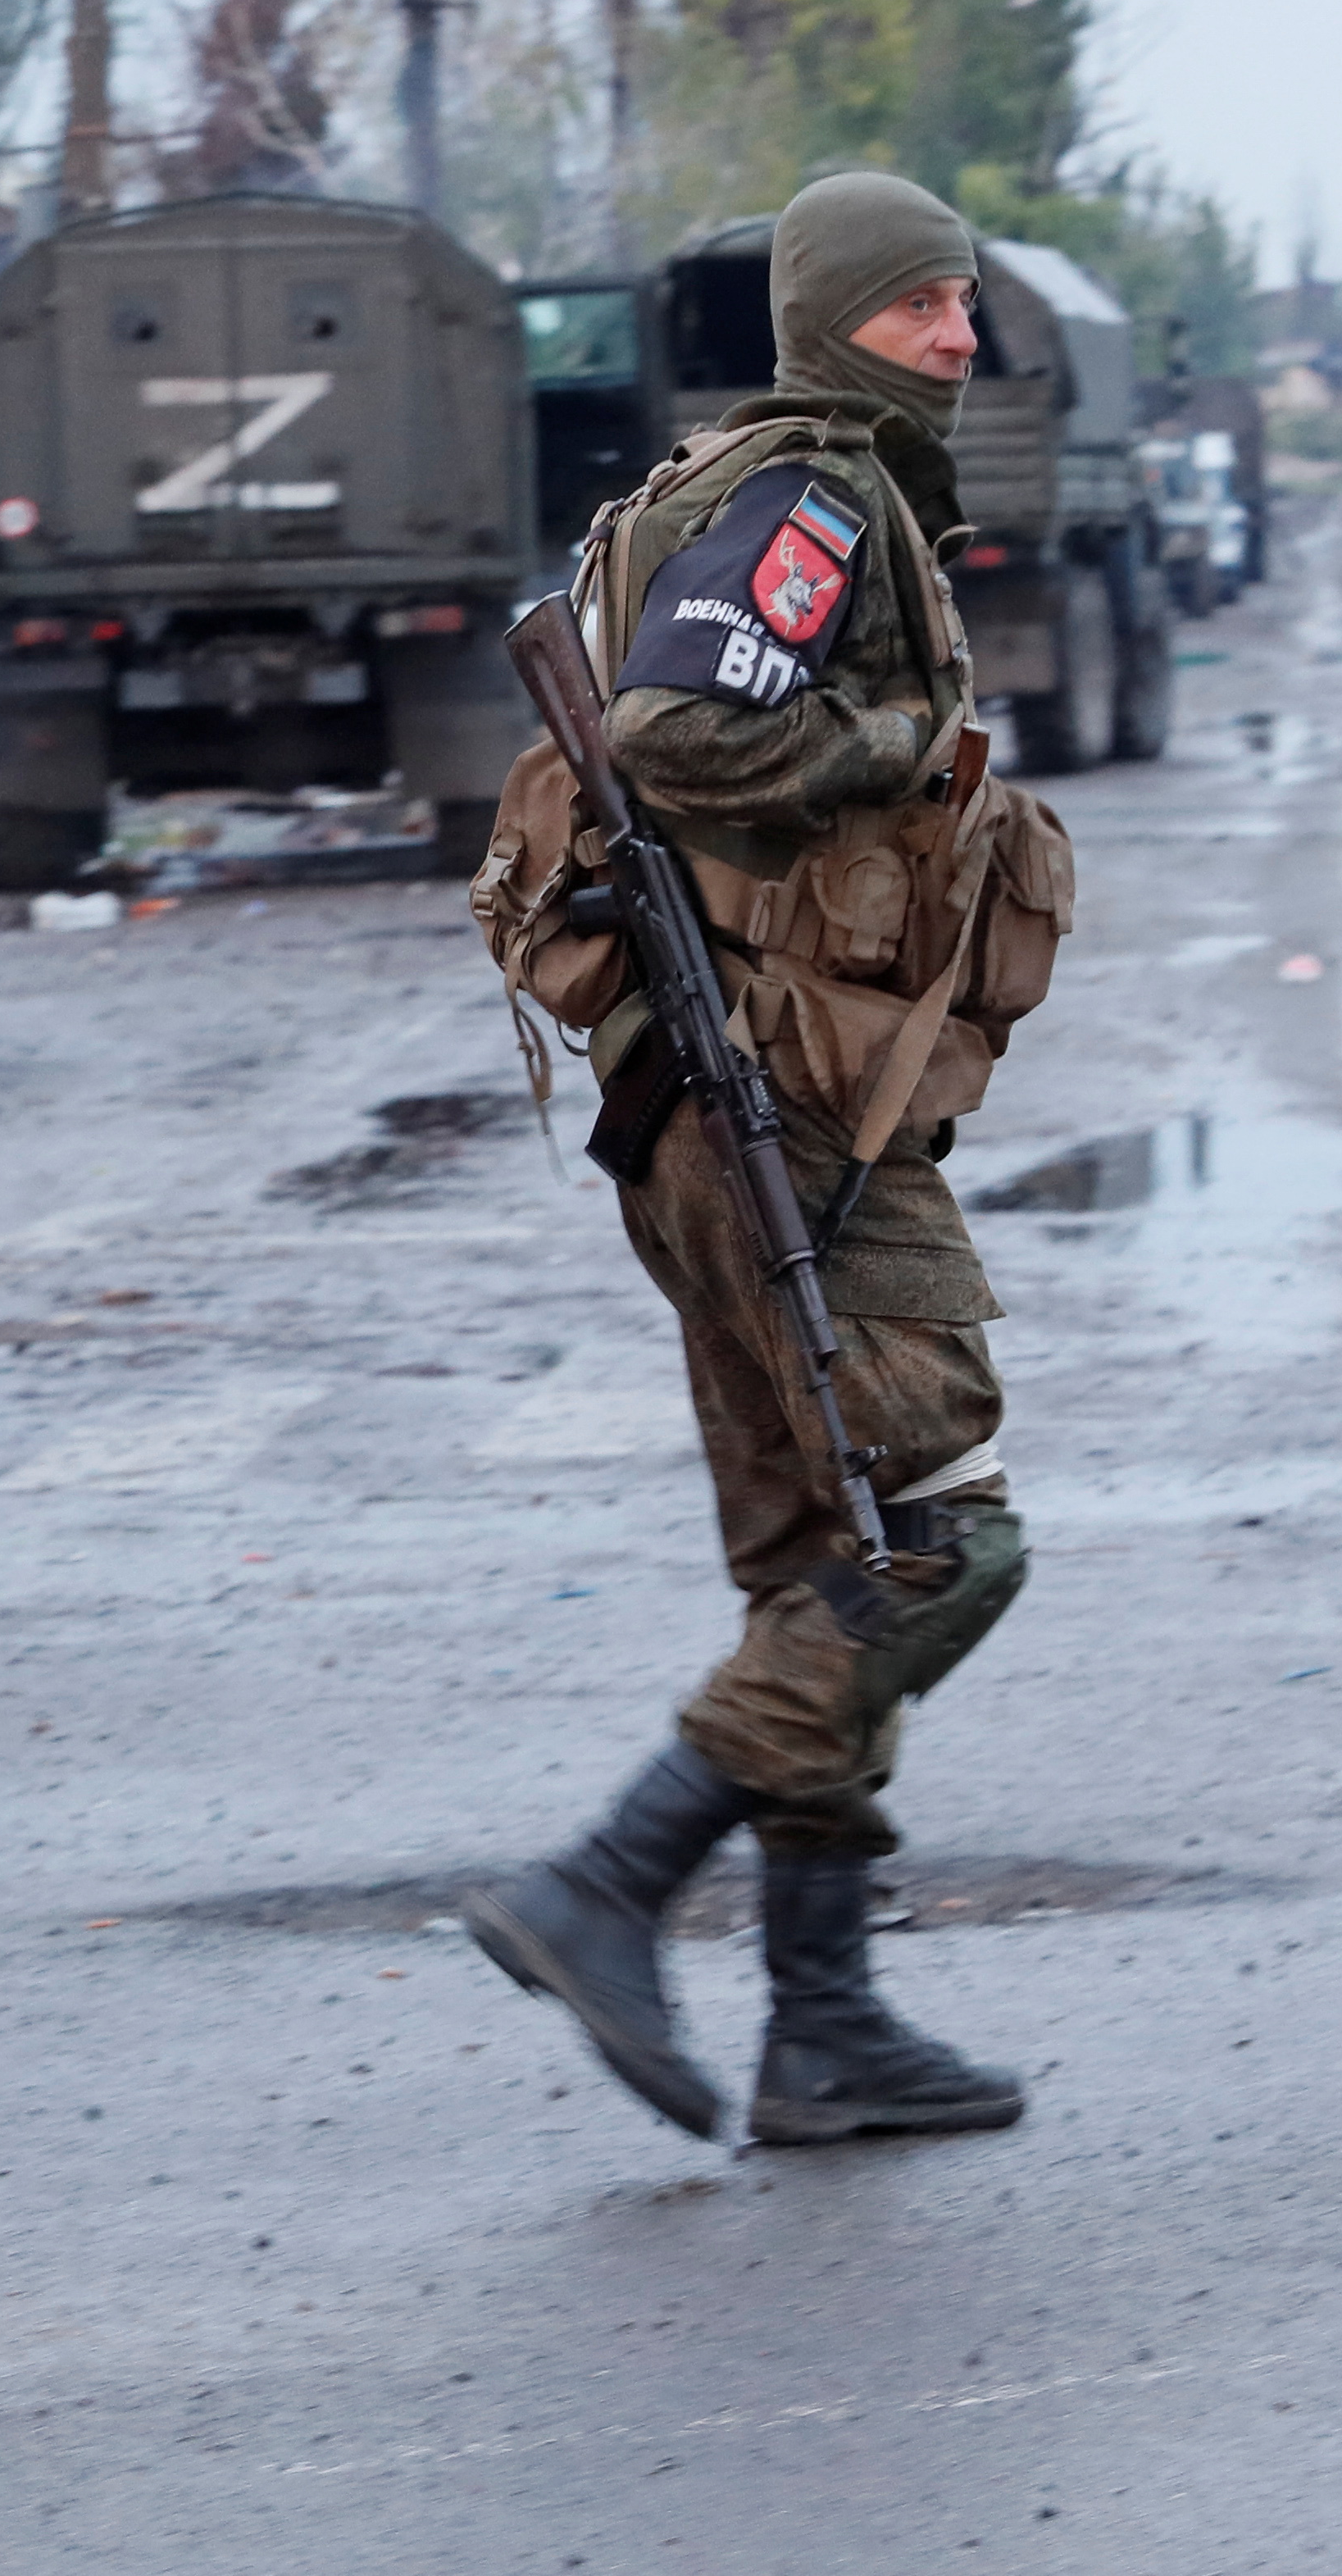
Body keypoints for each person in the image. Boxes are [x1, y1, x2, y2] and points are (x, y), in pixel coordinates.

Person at [460, 171, 1073, 2148]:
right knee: (939, 1534)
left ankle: (824, 2021)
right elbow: (678, 733)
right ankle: (609, 1879)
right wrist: (896, 755)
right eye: (919, 311)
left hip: (710, 1099)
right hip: (782, 1105)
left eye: (968, 305)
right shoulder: (811, 500)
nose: (958, 338)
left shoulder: (756, 481)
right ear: (836, 322)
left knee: (823, 1551)